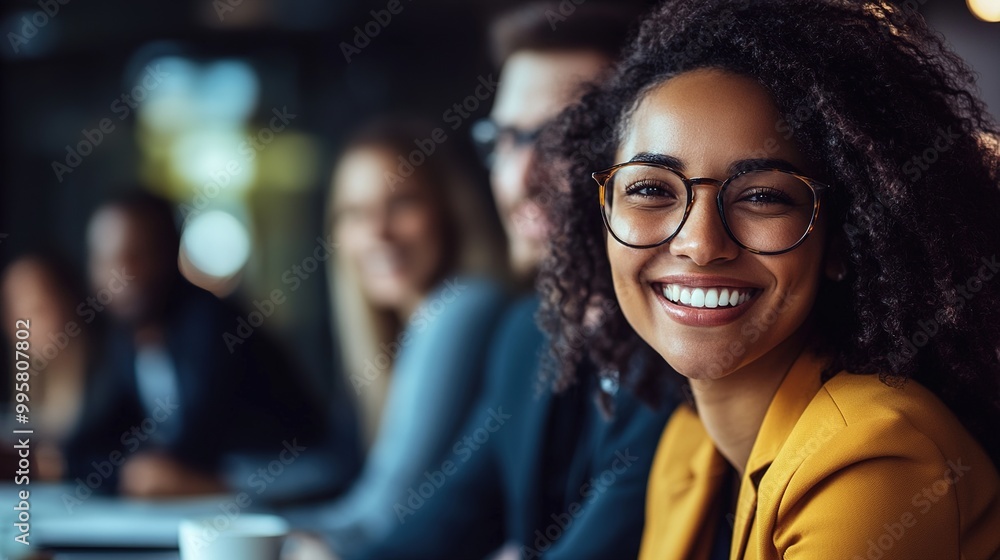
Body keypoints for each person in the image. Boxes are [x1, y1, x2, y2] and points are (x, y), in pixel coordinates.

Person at [538, 0, 1000, 558]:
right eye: (651, 189)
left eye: (762, 196)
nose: (701, 244)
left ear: (841, 240)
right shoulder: (689, 447)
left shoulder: (877, 461)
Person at [344, 3, 675, 559]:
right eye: (505, 140)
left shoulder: (684, 342)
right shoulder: (527, 334)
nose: (519, 177)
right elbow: (447, 520)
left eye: (559, 137)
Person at [281, 117, 509, 557]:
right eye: (356, 213)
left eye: (401, 203)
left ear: (447, 210)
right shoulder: (410, 328)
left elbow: (383, 515)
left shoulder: (462, 307)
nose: (378, 232)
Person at [65, 191, 357, 500]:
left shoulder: (213, 326)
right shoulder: (125, 340)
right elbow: (91, 444)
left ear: (171, 252)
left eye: (138, 255)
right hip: (222, 490)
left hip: (291, 477)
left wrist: (141, 471)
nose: (121, 276)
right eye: (106, 259)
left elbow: (191, 451)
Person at [0, 253, 91, 481]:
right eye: (15, 311)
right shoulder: (33, 382)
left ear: (68, 300)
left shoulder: (110, 379)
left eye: (37, 308)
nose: (22, 325)